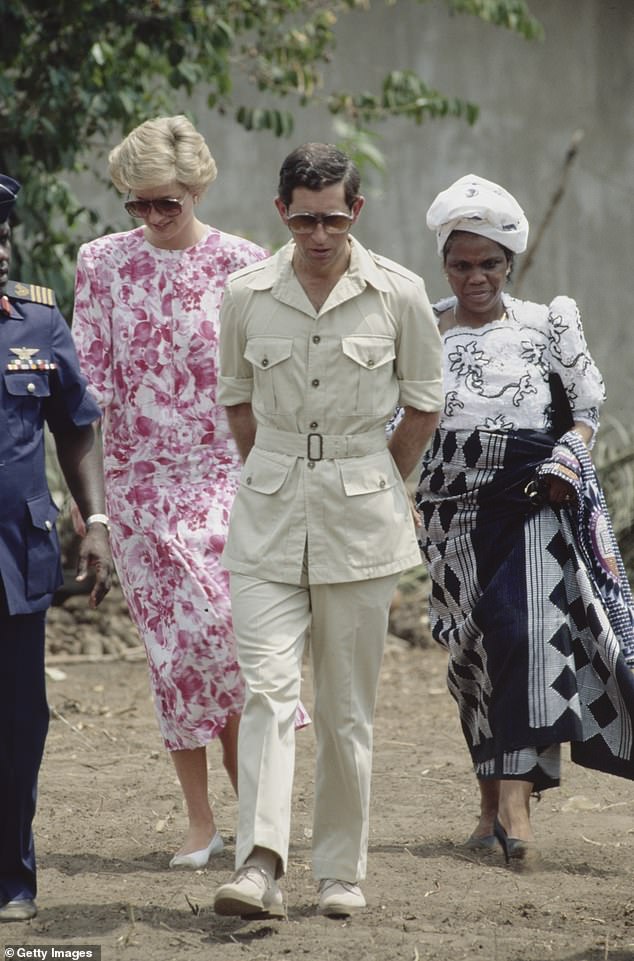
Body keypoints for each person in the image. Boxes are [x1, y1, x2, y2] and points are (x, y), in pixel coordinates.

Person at [212, 142, 443, 919]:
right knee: (269, 690)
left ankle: (340, 871)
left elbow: (423, 402)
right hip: (269, 513)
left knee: (346, 711)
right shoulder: (245, 293)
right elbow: (238, 403)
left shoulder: (400, 294)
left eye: (333, 219)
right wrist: (277, 469)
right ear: (281, 212)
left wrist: (380, 477)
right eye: (305, 218)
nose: (318, 234)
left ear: (357, 212)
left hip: (361, 515)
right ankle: (260, 863)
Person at [71, 115, 298, 871]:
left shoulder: (244, 263)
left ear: (197, 188)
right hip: (138, 490)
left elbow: (270, 382)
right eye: (136, 203)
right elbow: (88, 391)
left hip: (227, 480)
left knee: (231, 639)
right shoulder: (100, 263)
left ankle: (256, 812)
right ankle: (203, 823)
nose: (151, 216)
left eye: (165, 201)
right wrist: (90, 504)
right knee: (173, 654)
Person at [415, 173, 634, 864]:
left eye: (489, 263)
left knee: (527, 629)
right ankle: (488, 801)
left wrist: (571, 454)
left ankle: (517, 803)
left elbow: (588, 410)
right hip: (449, 510)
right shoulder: (421, 325)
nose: (475, 276)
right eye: (461, 263)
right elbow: (399, 417)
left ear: (509, 263)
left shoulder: (547, 321)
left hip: (537, 494)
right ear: (444, 263)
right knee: (474, 651)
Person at [0, 174, 113, 922]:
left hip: (15, 554)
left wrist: (95, 518)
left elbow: (75, 421)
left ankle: (13, 872)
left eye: (3, 237)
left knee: (18, 716)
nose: (0, 250)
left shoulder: (37, 324)